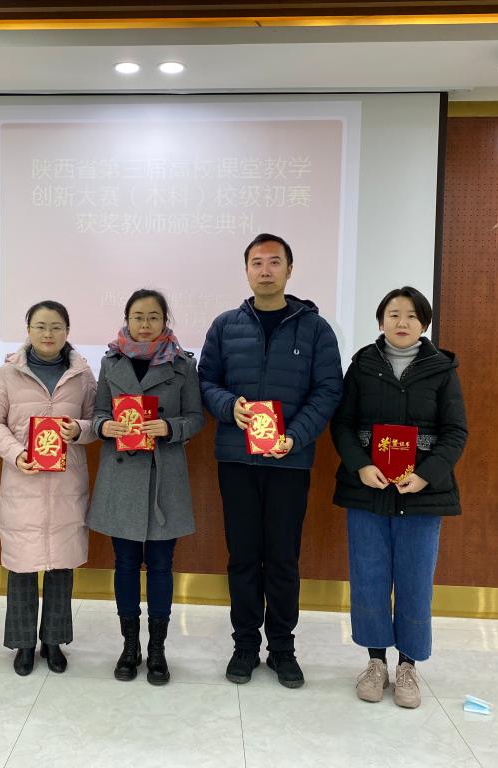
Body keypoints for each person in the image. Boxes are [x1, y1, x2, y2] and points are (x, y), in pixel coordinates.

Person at [198, 233, 343, 689]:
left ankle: (282, 647)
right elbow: (206, 381)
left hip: (289, 462)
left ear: (289, 270)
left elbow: (328, 390)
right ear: (246, 270)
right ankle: (244, 644)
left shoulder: (315, 329)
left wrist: (295, 436)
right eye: (257, 262)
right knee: (242, 556)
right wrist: (229, 408)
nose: (265, 270)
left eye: (274, 262)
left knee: (282, 558)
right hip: (237, 460)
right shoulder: (225, 326)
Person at [330, 286, 467, 708]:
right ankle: (375, 663)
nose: (402, 322)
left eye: (410, 315)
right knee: (369, 576)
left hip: (421, 493)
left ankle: (408, 665)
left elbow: (455, 432)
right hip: (368, 488)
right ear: (380, 321)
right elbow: (342, 424)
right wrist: (360, 465)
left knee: (414, 579)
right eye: (393, 314)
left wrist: (426, 475)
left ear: (424, 323)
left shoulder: (442, 369)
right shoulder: (362, 365)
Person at [87, 289, 205, 685]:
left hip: (163, 477)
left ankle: (157, 649)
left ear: (164, 321)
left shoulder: (183, 364)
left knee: (160, 565)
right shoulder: (111, 361)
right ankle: (129, 646)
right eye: (138, 316)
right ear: (126, 319)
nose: (145, 324)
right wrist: (105, 426)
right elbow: (98, 412)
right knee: (123, 564)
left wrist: (169, 427)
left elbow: (196, 418)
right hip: (121, 477)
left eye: (153, 317)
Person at [0, 300, 98, 676]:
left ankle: (54, 641)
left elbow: (97, 421)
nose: (49, 334)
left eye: (56, 327)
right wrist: (16, 454)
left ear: (67, 331)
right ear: (28, 330)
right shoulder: (8, 374)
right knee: (23, 566)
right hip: (23, 482)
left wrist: (79, 430)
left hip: (66, 484)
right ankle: (23, 644)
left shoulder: (82, 375)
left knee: (61, 565)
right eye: (41, 326)